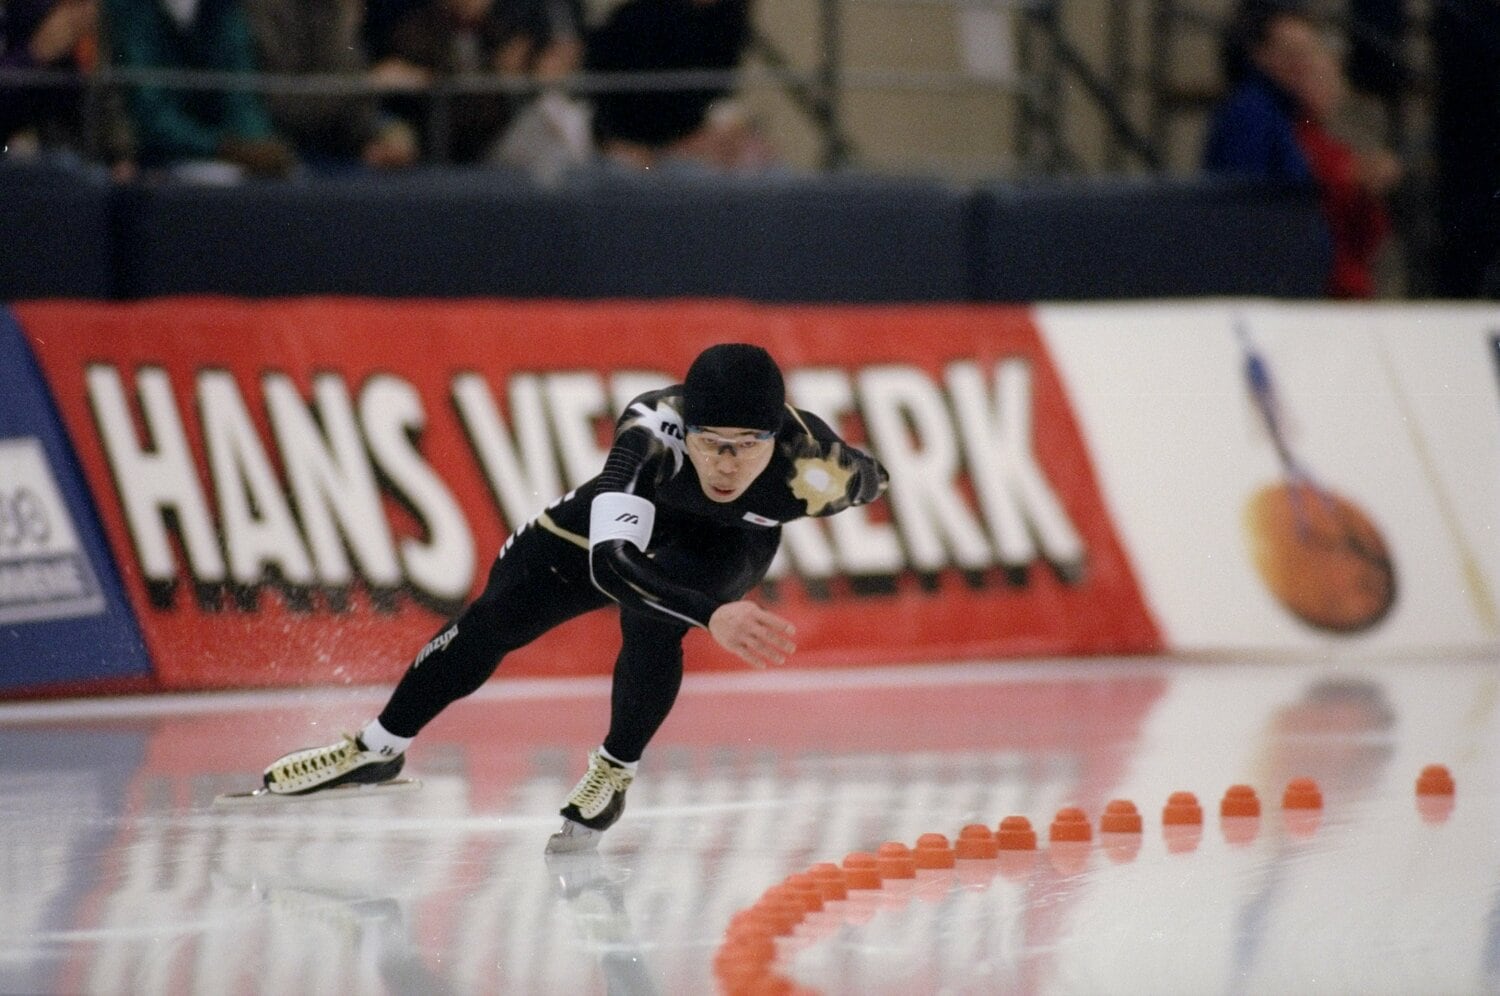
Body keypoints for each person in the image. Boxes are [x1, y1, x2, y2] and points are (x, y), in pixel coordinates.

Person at [260, 344, 889, 852]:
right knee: (494, 617)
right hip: (634, 517)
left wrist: (862, 478)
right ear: (686, 429)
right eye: (710, 442)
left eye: (746, 445)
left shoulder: (819, 465)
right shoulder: (650, 434)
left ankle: (614, 769)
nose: (726, 465)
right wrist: (712, 615)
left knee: (652, 621)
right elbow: (612, 566)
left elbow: (874, 479)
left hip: (727, 544)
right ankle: (374, 750)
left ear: (775, 436)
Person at [1203, 2, 1402, 299]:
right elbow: (1250, 207)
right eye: (1290, 53)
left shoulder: (1293, 122)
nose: (1302, 65)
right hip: (1285, 288)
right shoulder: (1253, 112)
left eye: (1307, 54)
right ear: (1259, 54)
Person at [103, 0, 297, 176]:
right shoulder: (131, 10)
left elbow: (241, 98)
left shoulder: (224, 10)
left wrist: (257, 143)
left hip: (220, 159)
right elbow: (150, 114)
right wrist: (223, 147)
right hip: (151, 160)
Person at [243, 0, 418, 172]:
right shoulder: (269, 9)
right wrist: (367, 83)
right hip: (283, 155)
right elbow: (285, 106)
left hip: (337, 157)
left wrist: (382, 130)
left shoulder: (338, 10)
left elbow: (354, 112)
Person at [584, 0, 752, 169]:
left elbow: (721, 95)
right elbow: (602, 87)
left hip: (692, 144)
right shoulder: (635, 20)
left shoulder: (727, 23)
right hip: (627, 143)